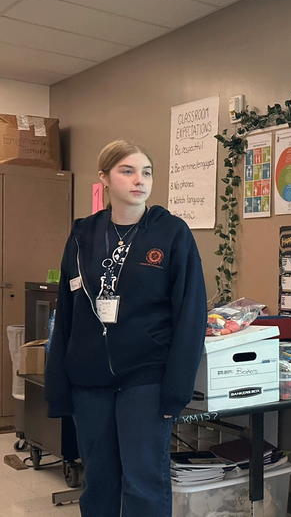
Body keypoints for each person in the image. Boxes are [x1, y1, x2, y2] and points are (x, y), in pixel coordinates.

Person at [45, 139, 207, 517]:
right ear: (104, 178)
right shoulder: (83, 234)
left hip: (146, 378)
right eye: (128, 171)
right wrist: (58, 383)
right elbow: (66, 312)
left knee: (142, 481)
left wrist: (177, 390)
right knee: (98, 480)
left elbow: (191, 315)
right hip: (89, 379)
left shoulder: (172, 233)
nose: (139, 180)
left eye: (146, 172)